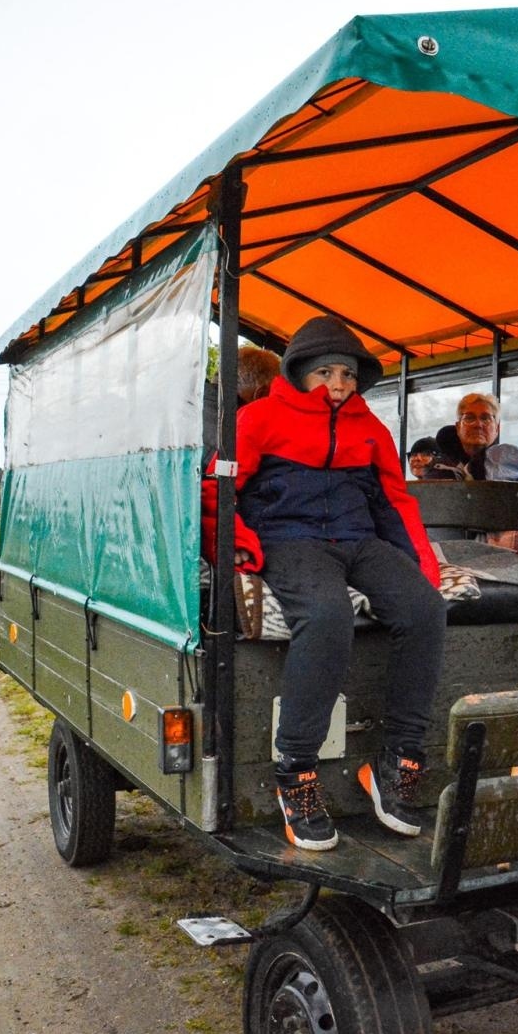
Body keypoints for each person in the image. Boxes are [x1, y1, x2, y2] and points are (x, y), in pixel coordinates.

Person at [206, 315, 444, 851]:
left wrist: (421, 566)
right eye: (325, 372)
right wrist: (238, 545)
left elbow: (394, 502)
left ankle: (397, 759)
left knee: (425, 609)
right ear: (298, 372)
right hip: (290, 541)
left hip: (359, 540)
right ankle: (296, 771)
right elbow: (215, 490)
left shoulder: (370, 428)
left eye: (348, 373)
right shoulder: (257, 419)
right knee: (327, 614)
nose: (338, 384)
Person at [425, 392, 518, 481]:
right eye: (469, 418)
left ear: (497, 428)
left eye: (485, 418)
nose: (478, 424)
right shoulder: (439, 469)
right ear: (458, 427)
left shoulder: (513, 463)